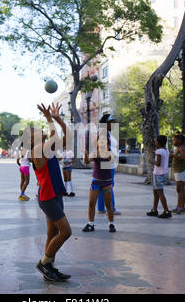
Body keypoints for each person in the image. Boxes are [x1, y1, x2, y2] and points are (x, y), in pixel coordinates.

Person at [23, 103, 72, 282]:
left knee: (52, 234)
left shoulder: (46, 147)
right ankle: (44, 263)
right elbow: (56, 136)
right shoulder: (37, 149)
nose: (40, 129)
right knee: (66, 232)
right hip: (48, 197)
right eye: (35, 130)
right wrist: (50, 119)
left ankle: (49, 268)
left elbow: (68, 136)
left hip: (55, 195)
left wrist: (56, 118)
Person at [82, 128, 117, 233]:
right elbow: (87, 162)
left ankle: (111, 224)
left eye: (104, 140)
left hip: (107, 182)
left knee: (108, 204)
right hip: (96, 181)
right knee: (91, 203)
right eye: (100, 140)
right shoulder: (94, 152)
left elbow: (111, 162)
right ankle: (90, 224)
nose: (101, 142)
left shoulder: (110, 153)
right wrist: (85, 154)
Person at [96, 114, 121, 215]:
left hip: (108, 164)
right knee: (109, 187)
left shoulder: (106, 133)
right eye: (112, 122)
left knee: (104, 187)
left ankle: (101, 208)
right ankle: (112, 209)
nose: (114, 124)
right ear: (107, 123)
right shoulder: (104, 134)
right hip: (107, 164)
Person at [147, 135, 172, 218]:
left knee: (160, 193)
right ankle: (154, 210)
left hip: (158, 174)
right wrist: (154, 152)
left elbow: (158, 163)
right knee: (156, 193)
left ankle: (167, 211)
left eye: (156, 141)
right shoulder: (166, 150)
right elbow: (161, 155)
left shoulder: (159, 151)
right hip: (163, 173)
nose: (155, 142)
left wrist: (151, 161)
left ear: (158, 142)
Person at [170, 132, 185, 214]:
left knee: (180, 189)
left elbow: (184, 157)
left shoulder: (181, 148)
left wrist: (173, 155)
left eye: (174, 140)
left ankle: (180, 207)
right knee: (180, 189)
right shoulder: (178, 148)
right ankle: (180, 206)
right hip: (178, 171)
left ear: (179, 140)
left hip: (180, 171)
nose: (173, 141)